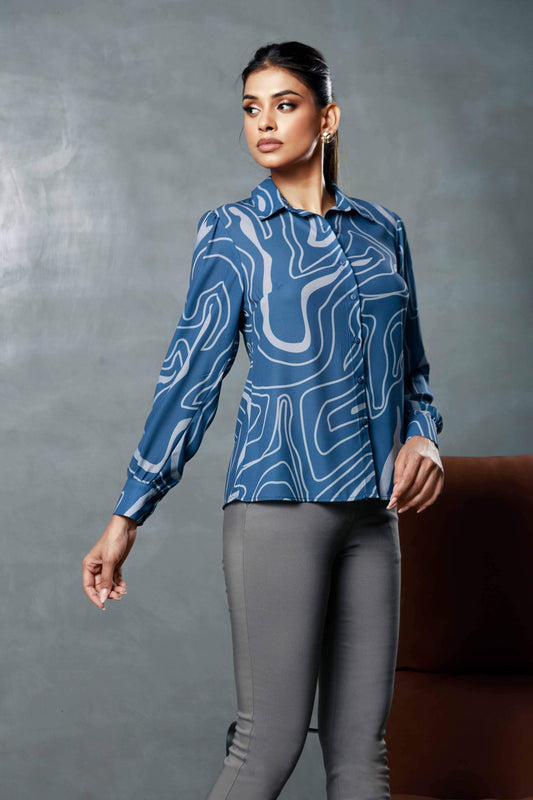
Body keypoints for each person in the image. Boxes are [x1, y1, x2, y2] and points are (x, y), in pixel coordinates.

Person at [82, 41, 444, 800]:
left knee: (362, 756)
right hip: (278, 502)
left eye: (285, 104)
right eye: (252, 109)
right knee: (267, 747)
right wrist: (127, 515)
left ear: (327, 118)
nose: (265, 124)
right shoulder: (232, 232)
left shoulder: (384, 231)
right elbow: (190, 379)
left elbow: (413, 368)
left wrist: (424, 436)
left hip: (372, 513)